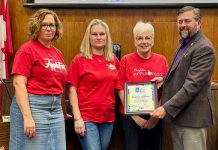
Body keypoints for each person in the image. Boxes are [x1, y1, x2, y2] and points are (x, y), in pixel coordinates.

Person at [151, 6, 216, 150]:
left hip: (192, 119)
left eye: (187, 21)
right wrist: (164, 79)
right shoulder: (185, 44)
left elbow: (192, 86)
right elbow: (181, 72)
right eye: (180, 22)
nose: (183, 25)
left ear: (199, 23)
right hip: (180, 116)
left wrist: (165, 108)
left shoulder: (204, 48)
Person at [9, 9, 67, 150]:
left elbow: (59, 84)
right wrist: (28, 117)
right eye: (44, 25)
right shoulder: (27, 50)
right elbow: (18, 84)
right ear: (36, 27)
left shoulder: (57, 53)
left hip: (56, 109)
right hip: (35, 107)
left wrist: (63, 110)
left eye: (52, 25)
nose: (49, 28)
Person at [67, 19, 119, 150]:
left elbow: (120, 88)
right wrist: (77, 118)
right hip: (86, 118)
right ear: (88, 37)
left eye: (102, 34)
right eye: (94, 34)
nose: (98, 37)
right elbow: (72, 90)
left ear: (107, 37)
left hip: (108, 118)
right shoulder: (79, 60)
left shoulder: (113, 60)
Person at [116, 21, 168, 150]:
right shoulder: (126, 60)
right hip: (130, 118)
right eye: (139, 38)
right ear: (135, 41)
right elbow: (120, 90)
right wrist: (136, 118)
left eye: (148, 37)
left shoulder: (161, 60)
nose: (144, 41)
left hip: (155, 115)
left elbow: (167, 89)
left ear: (153, 40)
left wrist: (154, 118)